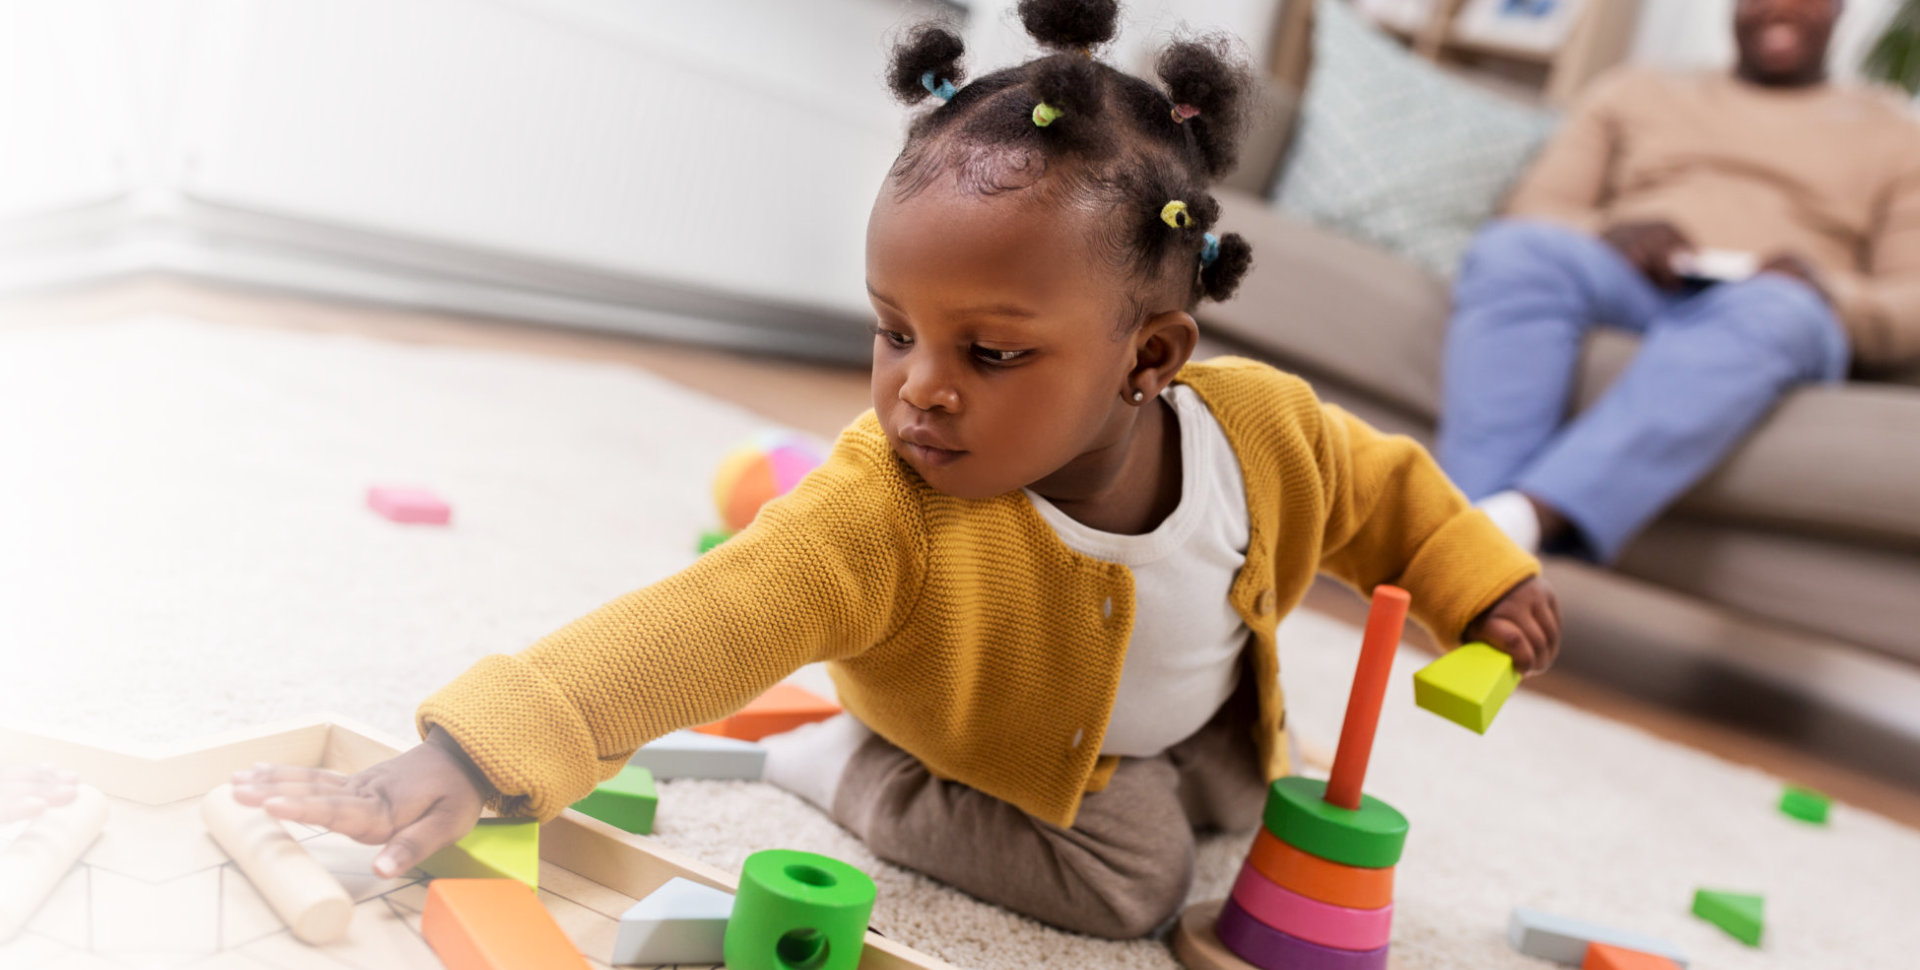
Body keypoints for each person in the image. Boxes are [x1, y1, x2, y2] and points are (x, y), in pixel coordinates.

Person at [231, 0, 1559, 939]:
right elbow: (708, 618)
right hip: (981, 742)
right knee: (1138, 882)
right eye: (892, 329)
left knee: (1249, 784)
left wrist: (1474, 585)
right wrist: (480, 746)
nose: (919, 383)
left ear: (1151, 357)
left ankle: (1157, 758)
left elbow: (1386, 493)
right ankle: (857, 768)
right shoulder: (893, 501)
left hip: (1178, 710)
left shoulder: (1263, 427)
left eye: (987, 350)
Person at [1440, 0, 1920, 564]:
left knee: (1776, 310)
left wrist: (1822, 288)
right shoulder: (1635, 91)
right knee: (1514, 252)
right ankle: (1454, 536)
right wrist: (1614, 231)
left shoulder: (1895, 135)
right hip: (1634, 284)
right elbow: (1533, 210)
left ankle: (1516, 523)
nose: (1784, 7)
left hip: (1776, 310)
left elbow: (1909, 300)